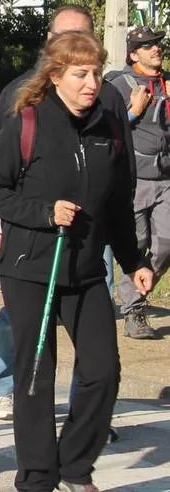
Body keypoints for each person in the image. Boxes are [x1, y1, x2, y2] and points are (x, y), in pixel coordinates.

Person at [0, 31, 153, 492]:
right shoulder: (28, 122)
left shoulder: (111, 128)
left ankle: (75, 465)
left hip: (88, 268)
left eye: (95, 72)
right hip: (31, 266)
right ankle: (37, 476)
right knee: (36, 376)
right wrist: (43, 213)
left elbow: (117, 204)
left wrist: (135, 260)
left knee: (102, 371)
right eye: (80, 74)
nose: (92, 83)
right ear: (56, 77)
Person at [0, 4, 118, 422]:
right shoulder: (19, 98)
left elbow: (120, 178)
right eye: (65, 38)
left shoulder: (108, 97)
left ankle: (85, 416)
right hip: (31, 247)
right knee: (26, 335)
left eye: (84, 38)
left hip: (90, 245)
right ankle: (4, 384)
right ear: (50, 50)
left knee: (98, 353)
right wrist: (3, 225)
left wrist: (130, 255)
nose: (88, 76)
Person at [108, 25, 170, 340]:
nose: (156, 49)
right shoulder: (119, 84)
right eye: (148, 46)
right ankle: (134, 312)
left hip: (166, 179)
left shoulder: (168, 83)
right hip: (133, 181)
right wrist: (132, 112)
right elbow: (105, 128)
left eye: (157, 44)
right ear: (134, 54)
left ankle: (134, 302)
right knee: (138, 245)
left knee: (166, 245)